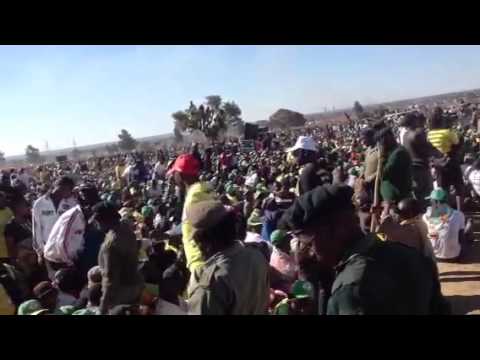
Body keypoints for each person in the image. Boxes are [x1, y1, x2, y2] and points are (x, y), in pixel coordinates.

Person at [281, 184, 449, 315]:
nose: (308, 253)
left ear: (336, 229)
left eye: (309, 244)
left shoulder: (350, 290)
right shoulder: (412, 255)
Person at [186, 200, 269, 315]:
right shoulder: (256, 255)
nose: (196, 246)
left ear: (205, 241)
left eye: (196, 241)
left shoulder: (211, 281)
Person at [91, 202, 144, 314]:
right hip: (135, 285)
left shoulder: (110, 244)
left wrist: (103, 307)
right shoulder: (126, 230)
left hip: (120, 291)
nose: (96, 224)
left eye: (97, 221)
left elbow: (110, 279)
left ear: (103, 220)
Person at [167, 154, 215, 273]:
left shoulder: (196, 195)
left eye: (175, 173)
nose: (173, 176)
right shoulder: (205, 188)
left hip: (202, 264)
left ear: (181, 174)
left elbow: (204, 228)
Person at [32, 176, 77, 265]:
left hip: (66, 250)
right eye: (61, 188)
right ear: (55, 185)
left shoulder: (72, 204)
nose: (63, 192)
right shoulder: (39, 203)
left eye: (67, 190)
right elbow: (36, 229)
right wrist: (39, 252)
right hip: (47, 250)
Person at [375, 127, 413, 216]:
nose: (380, 144)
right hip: (390, 199)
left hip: (397, 199)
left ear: (389, 137)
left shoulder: (398, 153)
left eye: (382, 140)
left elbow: (384, 174)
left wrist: (382, 157)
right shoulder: (392, 152)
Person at [423, 188, 466, 262]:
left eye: (432, 200)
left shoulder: (426, 215)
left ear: (437, 202)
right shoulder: (459, 214)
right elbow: (461, 238)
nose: (430, 202)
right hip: (454, 256)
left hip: (434, 257)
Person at [4, 196, 32, 261]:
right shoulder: (10, 226)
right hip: (24, 261)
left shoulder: (30, 220)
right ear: (17, 208)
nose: (28, 208)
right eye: (25, 206)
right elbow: (11, 249)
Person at [0, 191, 14, 262]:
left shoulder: (8, 210)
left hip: (10, 245)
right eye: (2, 199)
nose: (4, 201)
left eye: (4, 199)